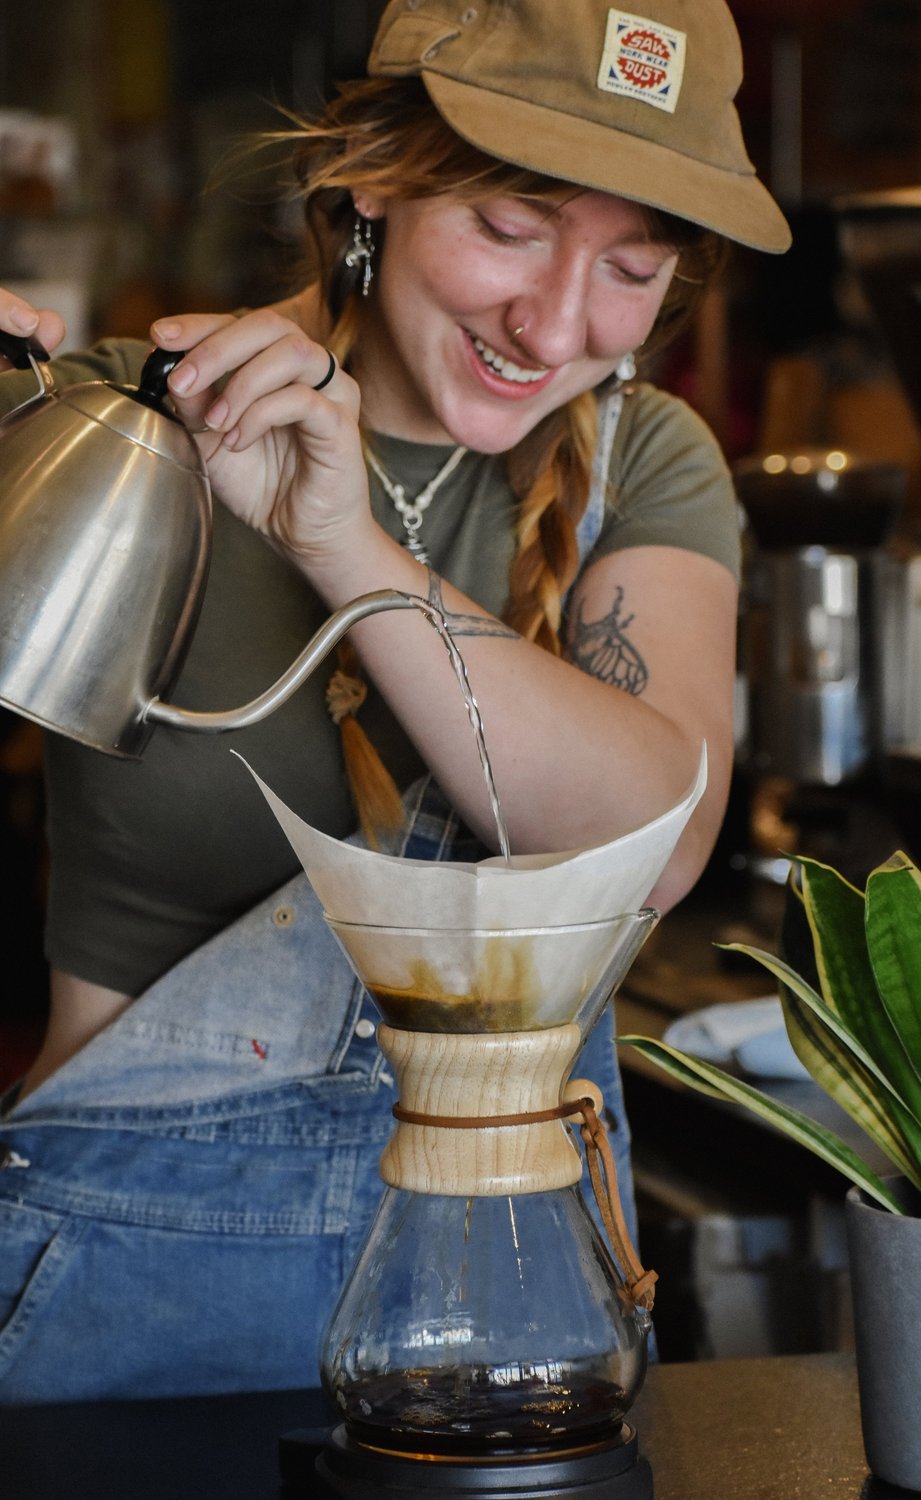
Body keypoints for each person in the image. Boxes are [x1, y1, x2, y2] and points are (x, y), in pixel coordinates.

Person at [0, 0, 789, 1402]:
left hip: (519, 1354)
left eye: (633, 266)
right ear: (371, 176)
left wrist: (338, 540)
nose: (555, 323)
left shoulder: (644, 467)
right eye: (509, 226)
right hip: (119, 1311)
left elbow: (650, 849)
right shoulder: (125, 431)